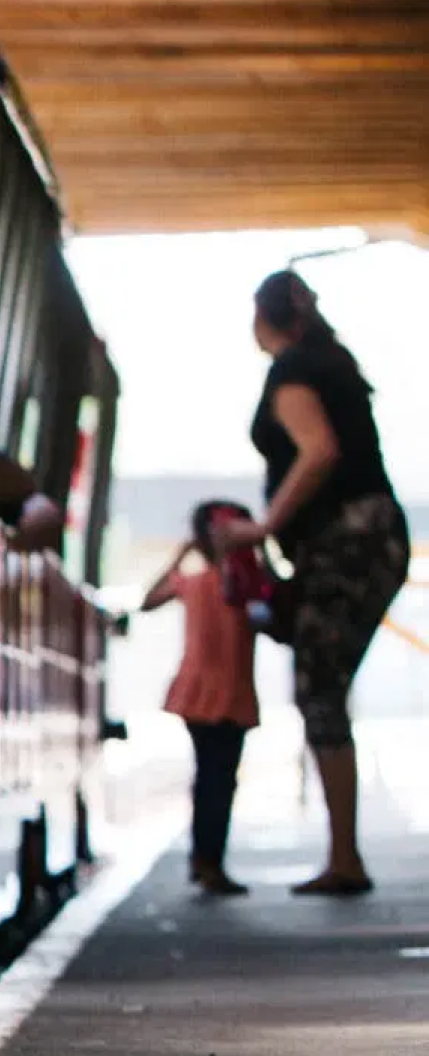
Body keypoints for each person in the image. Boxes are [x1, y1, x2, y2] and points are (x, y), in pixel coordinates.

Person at [216, 269, 409, 896]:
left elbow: (318, 450)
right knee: (324, 687)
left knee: (320, 687)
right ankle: (343, 854)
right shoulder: (330, 360)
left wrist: (266, 525)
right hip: (368, 538)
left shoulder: (295, 368)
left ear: (263, 317)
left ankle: (346, 859)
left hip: (348, 541)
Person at [144, 502, 260, 896]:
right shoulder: (245, 585)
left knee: (210, 776)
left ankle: (205, 858)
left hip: (199, 692)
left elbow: (149, 598)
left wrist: (180, 556)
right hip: (227, 692)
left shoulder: (198, 583)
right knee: (219, 778)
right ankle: (209, 861)